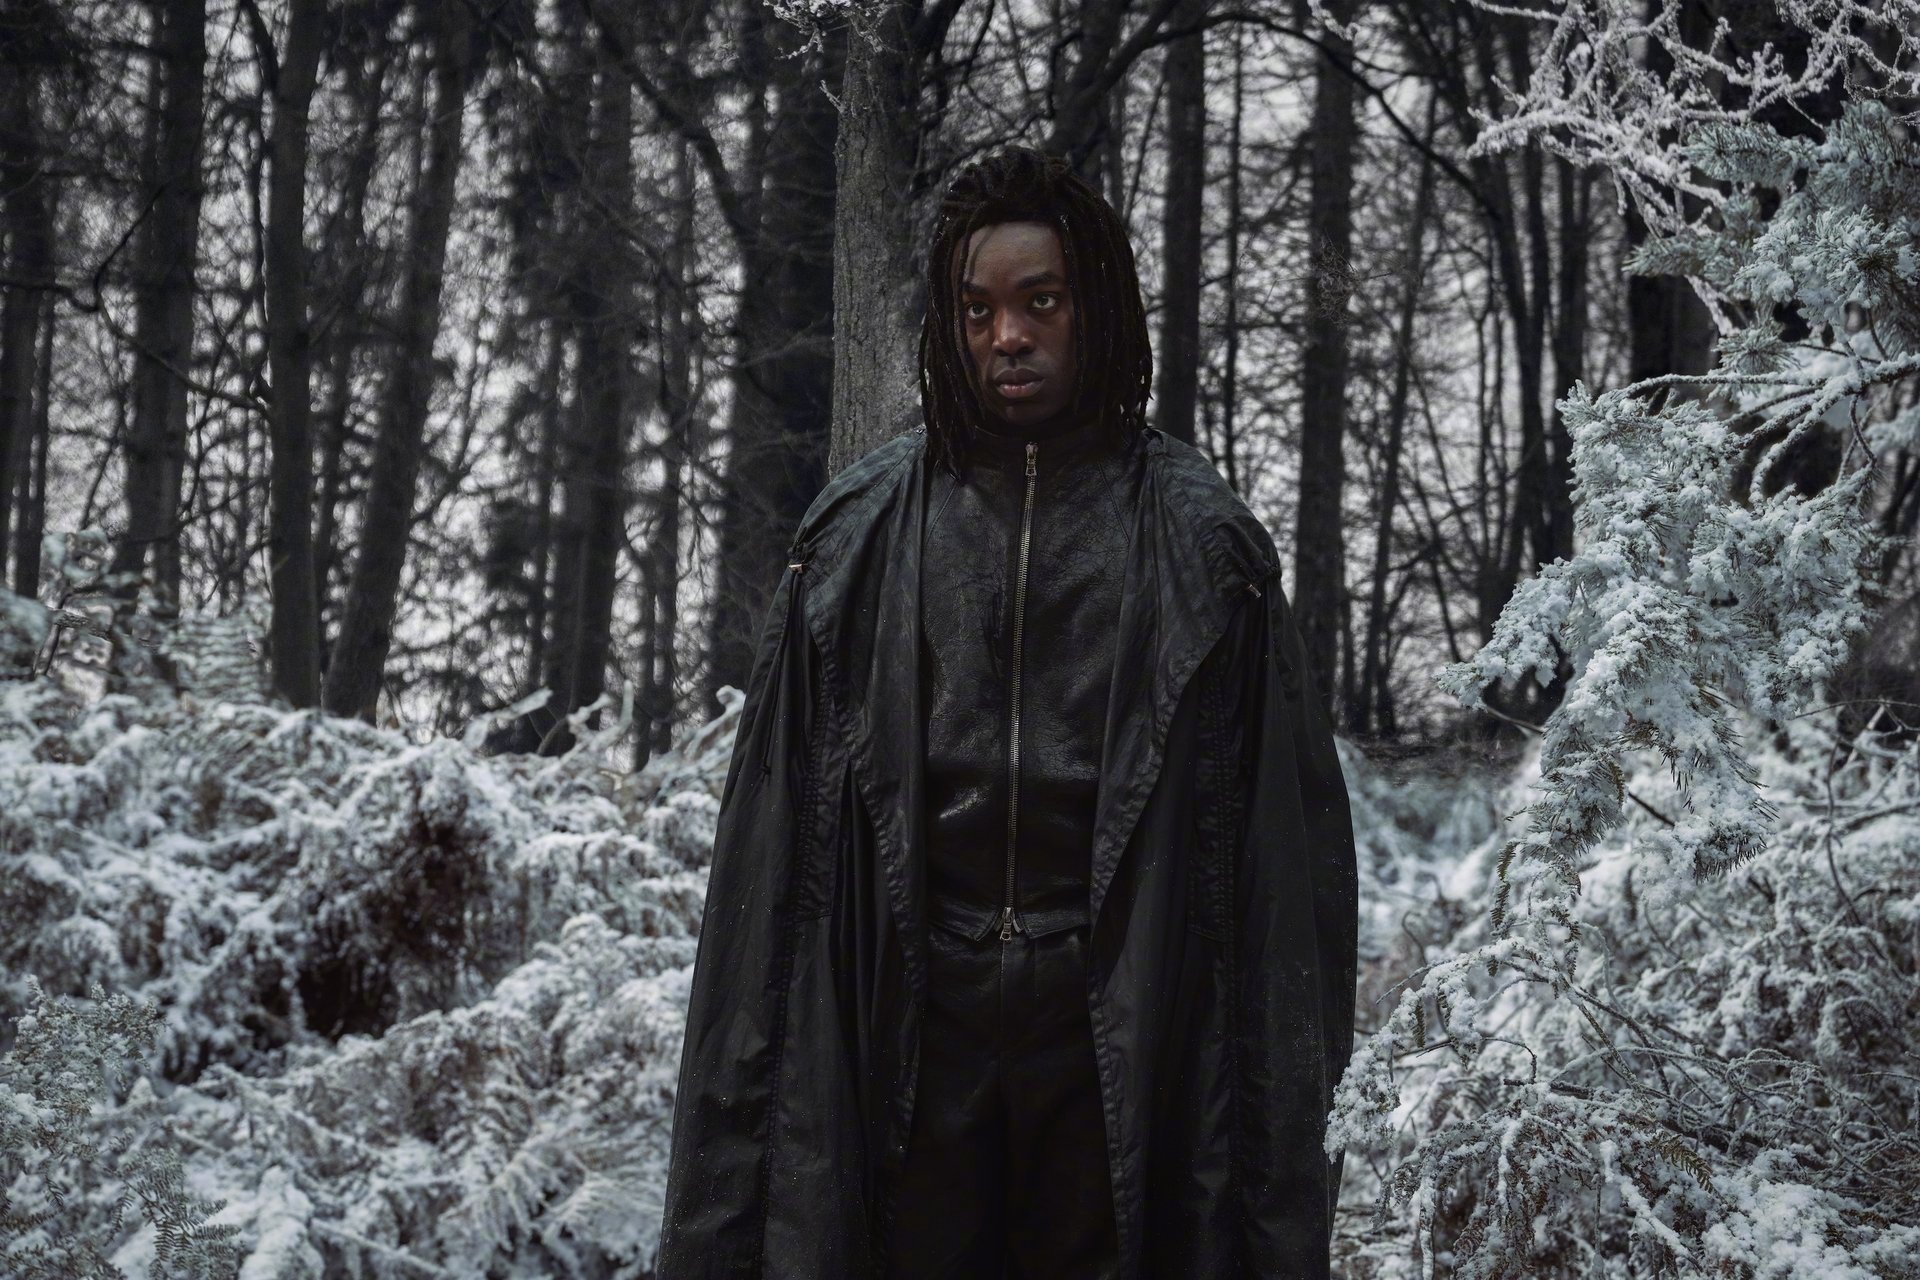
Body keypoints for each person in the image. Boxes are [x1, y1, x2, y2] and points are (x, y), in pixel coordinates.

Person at [656, 144, 1357, 1280]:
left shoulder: (1204, 548)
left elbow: (1285, 880)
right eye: (978, 310)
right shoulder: (856, 541)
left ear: (1096, 308)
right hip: (910, 1040)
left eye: (1041, 302)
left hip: (1118, 1039)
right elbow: (767, 872)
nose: (1009, 336)